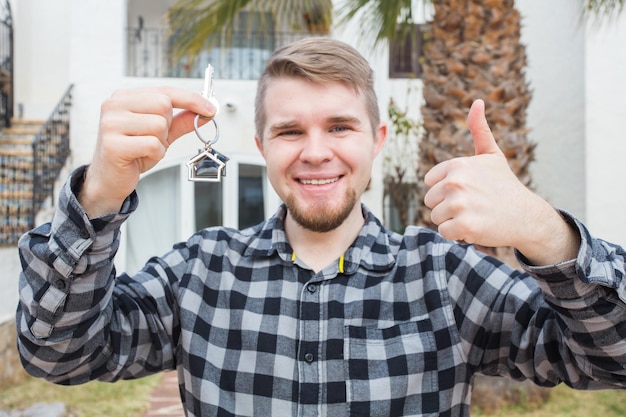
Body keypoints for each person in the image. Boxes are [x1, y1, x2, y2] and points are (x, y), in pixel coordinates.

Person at [16, 37, 626, 417]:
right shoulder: (199, 271)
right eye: (289, 131)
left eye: (339, 126)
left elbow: (610, 361)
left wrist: (546, 232)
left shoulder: (444, 274)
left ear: (377, 140)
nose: (314, 152)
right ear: (261, 144)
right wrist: (97, 195)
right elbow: (58, 354)